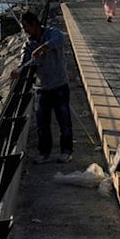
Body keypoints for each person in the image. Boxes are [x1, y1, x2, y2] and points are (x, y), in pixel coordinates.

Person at [15, 11, 73, 164]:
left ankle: (66, 151)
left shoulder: (52, 33)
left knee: (64, 122)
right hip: (41, 88)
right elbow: (24, 61)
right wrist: (18, 70)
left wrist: (44, 47)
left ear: (34, 24)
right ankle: (44, 153)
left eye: (26, 27)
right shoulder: (28, 44)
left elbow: (60, 38)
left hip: (59, 85)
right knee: (42, 124)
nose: (25, 30)